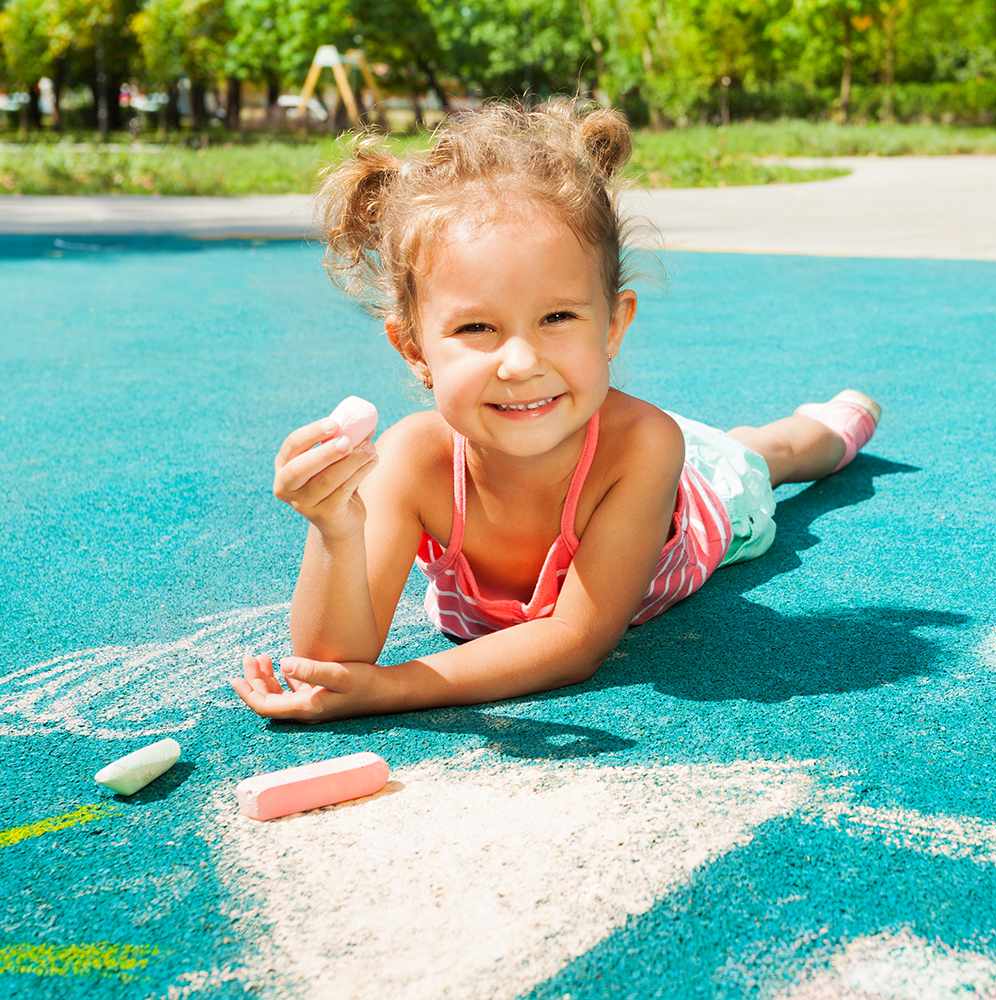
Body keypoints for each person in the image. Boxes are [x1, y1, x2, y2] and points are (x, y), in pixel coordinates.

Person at [230, 101, 880, 723]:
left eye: (558, 317)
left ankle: (834, 422)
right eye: (478, 327)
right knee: (741, 447)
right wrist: (334, 528)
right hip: (597, 429)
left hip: (693, 491)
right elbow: (330, 665)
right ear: (414, 349)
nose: (521, 362)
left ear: (612, 325)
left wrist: (393, 688)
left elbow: (574, 639)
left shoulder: (645, 447)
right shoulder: (409, 462)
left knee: (762, 456)